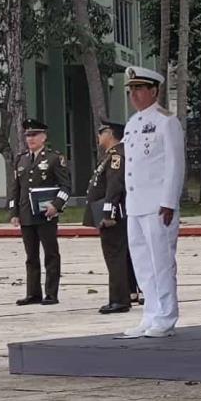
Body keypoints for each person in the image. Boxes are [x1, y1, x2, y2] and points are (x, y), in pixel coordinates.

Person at [120, 66, 186, 339]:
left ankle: (166, 315)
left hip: (159, 204)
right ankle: (150, 313)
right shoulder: (132, 123)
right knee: (142, 263)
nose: (134, 94)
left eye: (139, 88)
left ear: (154, 91)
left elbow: (175, 164)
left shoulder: (166, 121)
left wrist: (169, 201)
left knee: (162, 262)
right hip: (136, 203)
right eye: (131, 89)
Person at [8, 118, 72, 306]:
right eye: (28, 135)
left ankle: (51, 293)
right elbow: (16, 188)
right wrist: (13, 211)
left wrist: (56, 205)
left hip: (46, 213)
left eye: (34, 135)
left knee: (51, 254)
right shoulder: (21, 159)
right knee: (31, 256)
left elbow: (66, 187)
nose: (30, 139)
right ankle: (33, 293)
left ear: (44, 137)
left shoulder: (54, 158)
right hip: (27, 213)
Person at [84, 121, 130, 315]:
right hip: (107, 211)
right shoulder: (110, 155)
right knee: (114, 256)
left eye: (101, 132)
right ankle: (120, 297)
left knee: (115, 256)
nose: (99, 135)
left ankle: (119, 300)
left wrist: (108, 214)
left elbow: (114, 187)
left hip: (113, 215)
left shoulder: (116, 156)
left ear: (110, 133)